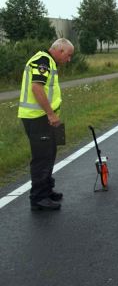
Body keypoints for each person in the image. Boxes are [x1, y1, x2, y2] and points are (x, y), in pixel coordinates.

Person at [18, 38, 74, 211]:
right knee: (42, 157)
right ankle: (38, 198)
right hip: (38, 118)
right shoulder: (42, 61)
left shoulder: (48, 61)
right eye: (69, 55)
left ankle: (47, 189)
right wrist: (50, 113)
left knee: (50, 152)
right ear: (60, 51)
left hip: (44, 118)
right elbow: (37, 88)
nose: (69, 59)